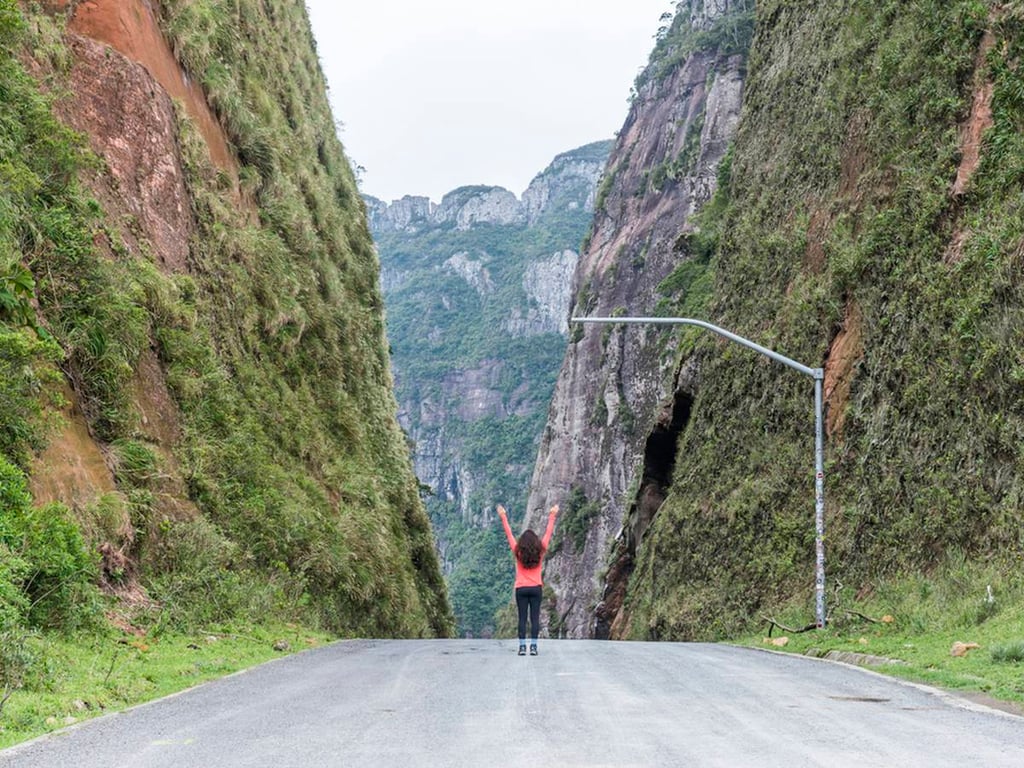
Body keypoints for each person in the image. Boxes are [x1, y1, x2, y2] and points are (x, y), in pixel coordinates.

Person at [497, 502, 559, 656]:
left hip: (521, 589)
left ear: (522, 543)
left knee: (522, 618)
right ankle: (534, 647)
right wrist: (552, 515)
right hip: (536, 588)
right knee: (535, 618)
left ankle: (522, 647)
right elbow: (548, 533)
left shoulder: (518, 551)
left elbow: (509, 534)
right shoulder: (541, 551)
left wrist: (503, 516)